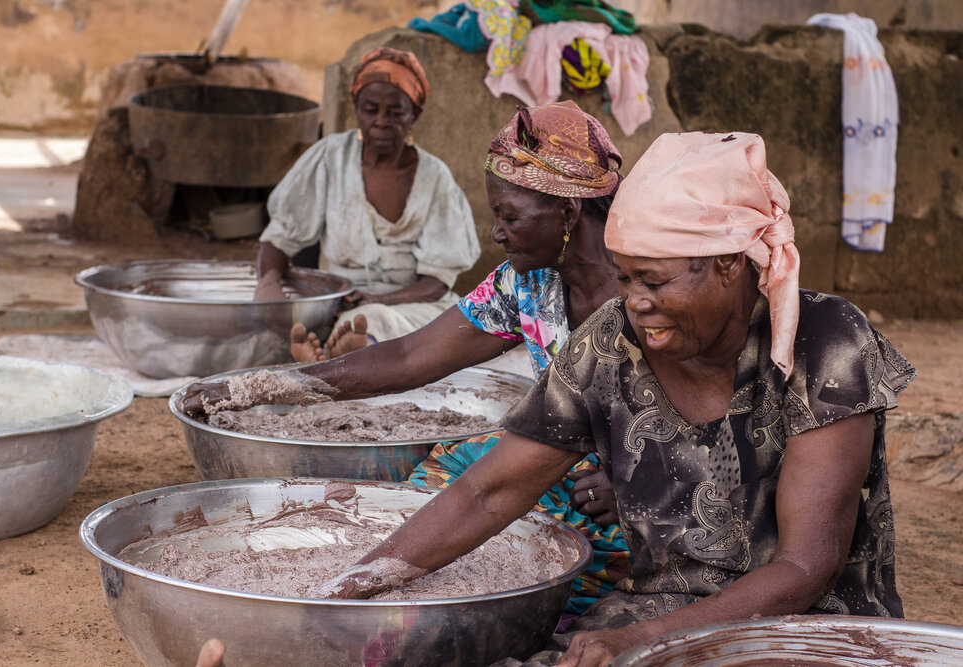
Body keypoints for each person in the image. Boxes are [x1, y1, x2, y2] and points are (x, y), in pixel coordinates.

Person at [315, 131, 916, 667]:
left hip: (803, 629)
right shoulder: (609, 342)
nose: (635, 301)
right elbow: (488, 490)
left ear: (730, 264)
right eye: (625, 278)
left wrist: (642, 641)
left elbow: (805, 568)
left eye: (655, 280)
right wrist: (354, 584)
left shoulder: (825, 342)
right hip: (659, 604)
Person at [184, 100, 632, 616]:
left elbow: (721, 412)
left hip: (660, 479)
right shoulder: (528, 283)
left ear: (567, 212)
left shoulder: (649, 292)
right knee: (450, 478)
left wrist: (634, 476)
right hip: (561, 466)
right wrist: (258, 387)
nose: (496, 232)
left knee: (571, 586)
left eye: (508, 215)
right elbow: (410, 357)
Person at [254, 47, 480, 361]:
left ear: (415, 115)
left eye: (395, 113)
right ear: (356, 109)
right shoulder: (330, 157)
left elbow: (437, 283)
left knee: (378, 322)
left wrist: (376, 300)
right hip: (335, 300)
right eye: (370, 110)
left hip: (413, 307)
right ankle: (337, 357)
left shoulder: (435, 178)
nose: (381, 122)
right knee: (269, 334)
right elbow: (280, 237)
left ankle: (343, 357)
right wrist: (269, 285)